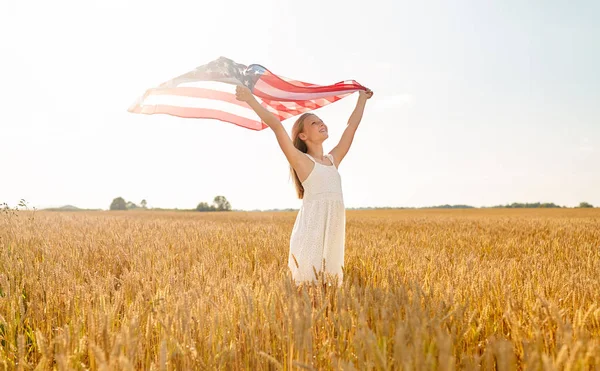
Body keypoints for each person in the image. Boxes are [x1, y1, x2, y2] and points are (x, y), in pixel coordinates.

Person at [235, 85, 373, 286]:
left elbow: (351, 128)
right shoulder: (302, 162)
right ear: (303, 136)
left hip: (333, 231)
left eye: (321, 121)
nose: (321, 123)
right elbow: (276, 126)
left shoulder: (333, 160)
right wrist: (250, 99)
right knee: (308, 284)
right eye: (314, 123)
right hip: (312, 233)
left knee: (331, 285)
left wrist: (362, 99)